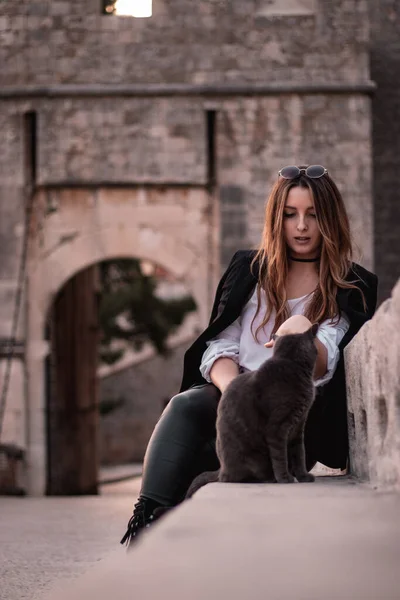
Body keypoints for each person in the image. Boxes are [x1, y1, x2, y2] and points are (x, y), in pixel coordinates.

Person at [120, 164, 378, 547]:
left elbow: (326, 361)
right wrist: (236, 390)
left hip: (291, 420)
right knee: (187, 405)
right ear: (277, 217)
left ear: (330, 219)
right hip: (235, 402)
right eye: (290, 214)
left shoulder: (351, 284)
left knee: (210, 460)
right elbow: (220, 345)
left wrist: (299, 330)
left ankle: (178, 533)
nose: (302, 226)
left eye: (313, 215)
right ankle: (146, 523)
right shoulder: (249, 271)